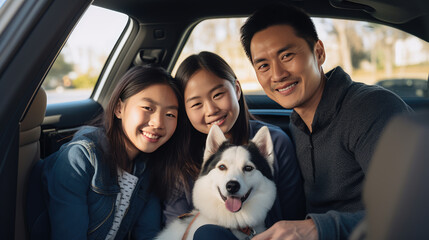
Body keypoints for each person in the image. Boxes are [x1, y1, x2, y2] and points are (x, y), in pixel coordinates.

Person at [239, 3, 413, 240]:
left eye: (287, 55)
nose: (277, 74)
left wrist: (315, 228)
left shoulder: (372, 109)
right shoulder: (297, 122)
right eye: (264, 66)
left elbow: (411, 211)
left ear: (318, 52)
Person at [35, 65, 192, 239]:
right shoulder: (80, 158)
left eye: (170, 114)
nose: (158, 123)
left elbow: (147, 233)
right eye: (148, 108)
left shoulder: (148, 168)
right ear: (119, 108)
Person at [164, 51, 306, 238]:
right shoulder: (180, 158)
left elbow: (293, 216)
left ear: (237, 89)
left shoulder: (275, 141)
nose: (211, 110)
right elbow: (177, 228)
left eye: (218, 94)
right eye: (196, 104)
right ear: (185, 111)